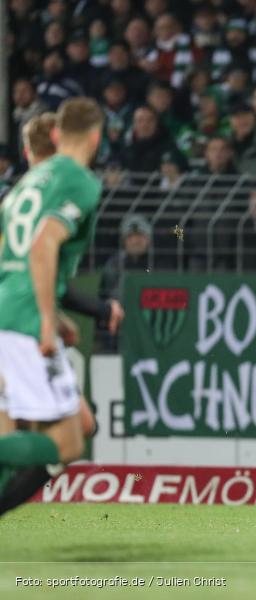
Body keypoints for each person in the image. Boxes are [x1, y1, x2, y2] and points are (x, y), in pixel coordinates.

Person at [0, 98, 105, 517]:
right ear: (96, 138)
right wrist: (47, 319)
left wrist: (56, 316)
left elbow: (14, 256)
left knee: (67, 430)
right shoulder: (78, 179)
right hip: (24, 320)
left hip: (9, 311)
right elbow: (43, 244)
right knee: (70, 440)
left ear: (59, 134)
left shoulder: (26, 184)